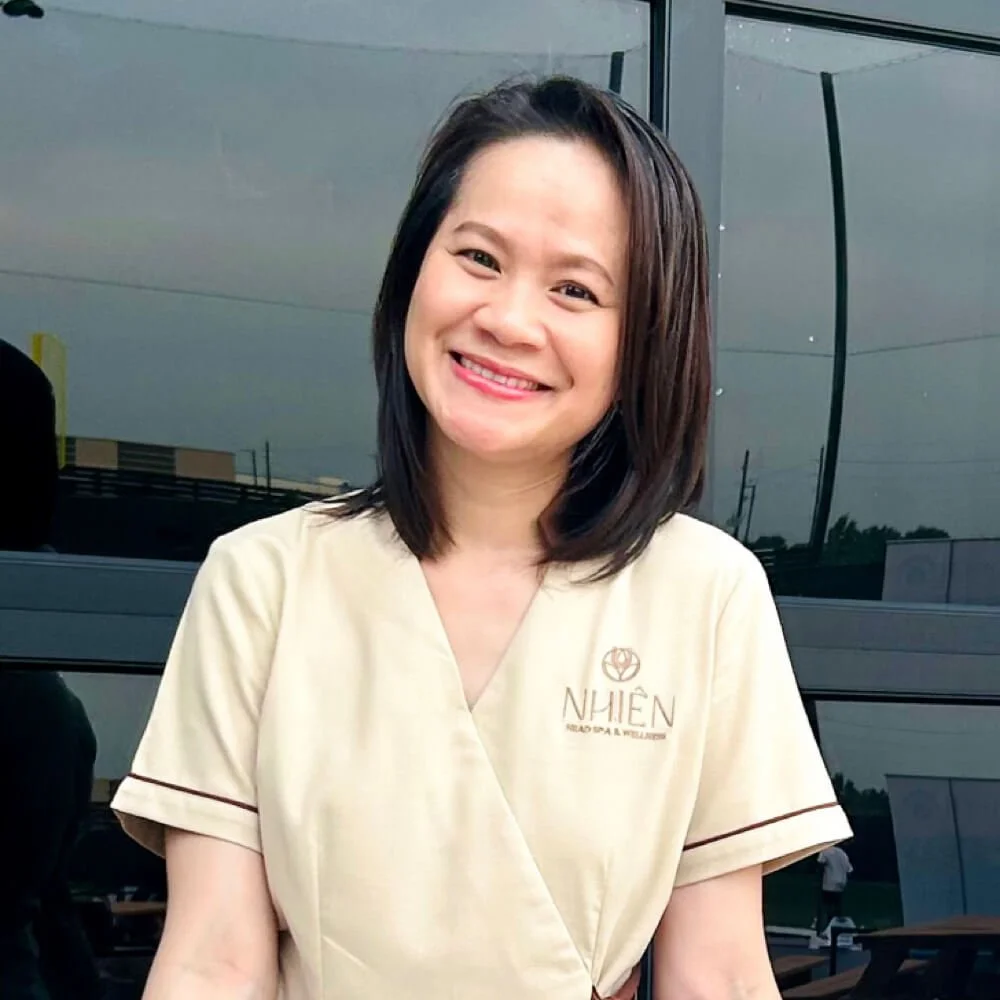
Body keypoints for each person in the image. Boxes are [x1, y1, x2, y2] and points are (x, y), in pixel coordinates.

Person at [111, 76, 851, 1000]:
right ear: (413, 268)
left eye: (576, 288)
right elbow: (213, 961)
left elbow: (722, 975)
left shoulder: (706, 594)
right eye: (479, 257)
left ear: (643, 343)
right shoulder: (263, 580)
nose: (507, 320)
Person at [816, 844, 854, 933]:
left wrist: (819, 879)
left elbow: (820, 864)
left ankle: (825, 929)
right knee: (837, 907)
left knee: (826, 906)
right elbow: (850, 870)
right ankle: (836, 929)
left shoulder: (825, 851)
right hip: (841, 883)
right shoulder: (842, 853)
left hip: (829, 882)